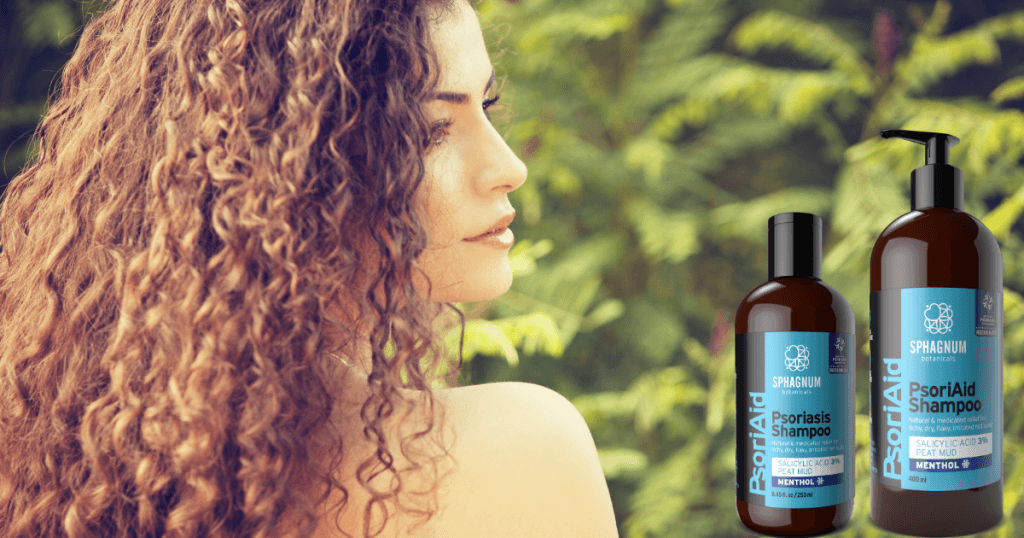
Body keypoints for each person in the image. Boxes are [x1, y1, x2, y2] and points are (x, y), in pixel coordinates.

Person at [0, 0, 619, 537]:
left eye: (488, 104)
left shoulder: (74, 469)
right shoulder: (521, 452)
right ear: (290, 171)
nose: (509, 167)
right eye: (432, 130)